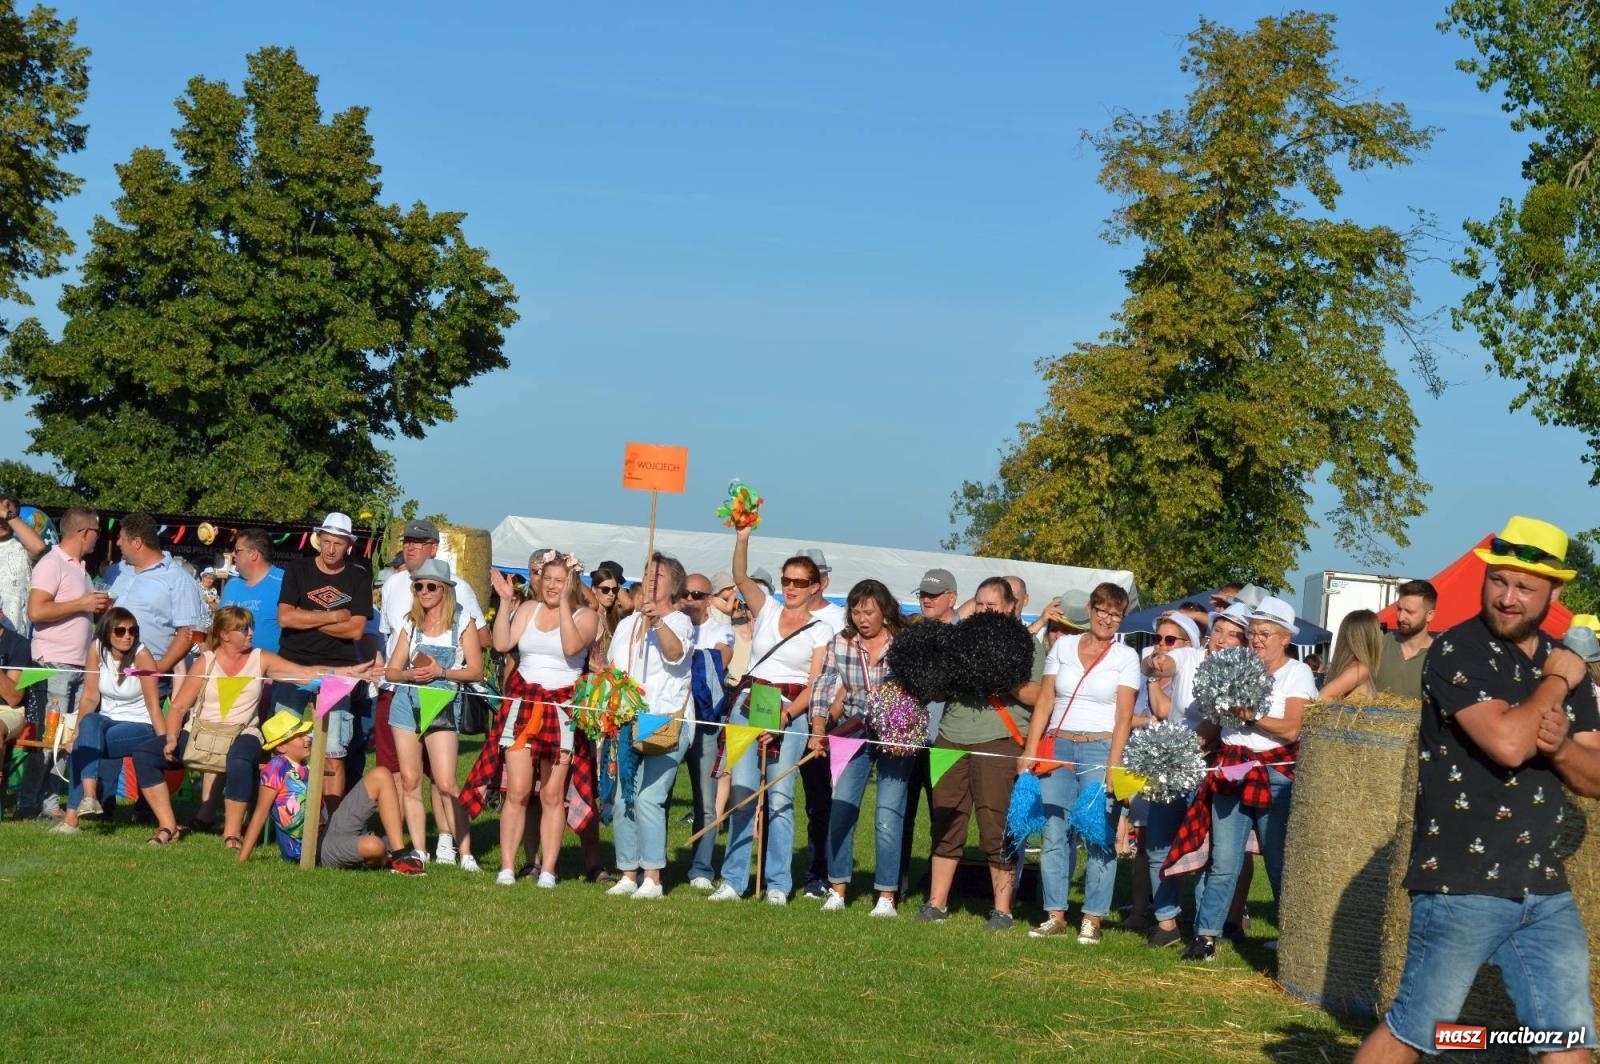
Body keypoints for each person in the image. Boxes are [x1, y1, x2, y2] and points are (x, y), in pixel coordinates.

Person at [1355, 516, 1600, 1063]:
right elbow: (1509, 744)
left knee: (1568, 1039)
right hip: (1461, 883)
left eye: (1524, 587)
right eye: (1499, 581)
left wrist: (1561, 749)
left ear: (1554, 592)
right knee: (1416, 1031)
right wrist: (1559, 681)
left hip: (1543, 887)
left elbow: (1594, 775)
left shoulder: (1559, 655)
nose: (1507, 598)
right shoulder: (1459, 651)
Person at [164, 606, 382, 846]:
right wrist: (172, 738)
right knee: (145, 754)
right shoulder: (206, 661)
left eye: (251, 627)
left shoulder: (262, 657)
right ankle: (166, 826)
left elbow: (307, 673)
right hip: (202, 734)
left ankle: (232, 834)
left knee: (239, 757)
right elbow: (177, 707)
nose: (251, 633)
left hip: (242, 734)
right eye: (244, 628)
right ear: (225, 635)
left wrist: (349, 672)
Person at [1179, 595, 1316, 962]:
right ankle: (1205, 937)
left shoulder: (1296, 673)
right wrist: (1182, 750)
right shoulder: (1232, 664)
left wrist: (1249, 715)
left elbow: (1291, 729)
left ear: (1285, 638)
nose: (1256, 639)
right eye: (1253, 632)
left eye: (1265, 633)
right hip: (1231, 770)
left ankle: (1293, 942)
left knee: (1277, 862)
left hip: (1275, 775)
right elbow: (1216, 721)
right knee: (1224, 861)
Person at [708, 526, 830, 904]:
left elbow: (816, 684)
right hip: (750, 701)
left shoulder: (822, 629)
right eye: (787, 580)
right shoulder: (768, 608)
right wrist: (743, 537)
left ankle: (777, 884)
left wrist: (787, 716)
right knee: (743, 794)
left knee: (779, 797)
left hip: (789, 711)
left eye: (800, 581)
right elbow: (741, 577)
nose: (791, 587)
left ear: (815, 586)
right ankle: (733, 880)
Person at [467, 549, 597, 887]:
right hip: (523, 704)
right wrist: (506, 602)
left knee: (553, 795)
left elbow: (571, 648)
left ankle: (549, 870)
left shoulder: (587, 616)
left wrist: (567, 603)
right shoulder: (528, 608)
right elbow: (501, 643)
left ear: (571, 582)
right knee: (519, 790)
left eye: (560, 581)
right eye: (547, 579)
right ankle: (508, 867)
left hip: (562, 708)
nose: (552, 586)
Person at [920, 577, 1043, 928]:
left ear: (1009, 607)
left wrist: (1001, 674)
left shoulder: (1029, 645)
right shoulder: (957, 640)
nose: (986, 610)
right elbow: (940, 695)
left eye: (993, 605)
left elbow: (1037, 696)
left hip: (998, 740)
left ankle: (1002, 909)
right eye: (981, 604)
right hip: (950, 738)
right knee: (946, 819)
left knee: (995, 824)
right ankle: (936, 903)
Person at [1022, 581, 1141, 943]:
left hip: (1100, 747)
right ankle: (1055, 914)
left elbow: (1123, 717)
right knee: (1055, 832)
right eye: (1102, 610)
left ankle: (1092, 918)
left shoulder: (1126, 658)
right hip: (1059, 747)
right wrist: (1030, 750)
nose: (1107, 619)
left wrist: (1115, 762)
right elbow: (1044, 701)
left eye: (1115, 614)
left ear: (1121, 619)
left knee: (1098, 835)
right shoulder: (1064, 647)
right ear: (1090, 610)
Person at [374, 519, 485, 858]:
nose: (423, 592)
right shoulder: (409, 620)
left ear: (445, 589)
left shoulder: (461, 621)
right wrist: (407, 676)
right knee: (409, 779)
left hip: (441, 701)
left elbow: (477, 670)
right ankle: (419, 850)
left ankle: (460, 850)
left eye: (430, 587)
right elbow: (392, 668)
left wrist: (443, 671)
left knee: (447, 781)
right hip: (406, 701)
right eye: (419, 587)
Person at [810, 579, 907, 916]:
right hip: (853, 733)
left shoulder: (904, 644)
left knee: (887, 818)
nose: (862, 618)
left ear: (884, 611)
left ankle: (885, 897)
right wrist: (819, 728)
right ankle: (837, 890)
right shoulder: (841, 643)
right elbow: (822, 688)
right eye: (856, 611)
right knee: (842, 808)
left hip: (895, 738)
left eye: (869, 611)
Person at [603, 554, 695, 899]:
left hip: (665, 720)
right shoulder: (628, 623)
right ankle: (628, 872)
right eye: (646, 573)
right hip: (627, 719)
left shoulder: (680, 621)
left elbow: (675, 655)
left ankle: (653, 877)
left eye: (659, 574)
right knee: (623, 795)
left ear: (674, 585)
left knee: (648, 798)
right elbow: (614, 667)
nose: (650, 578)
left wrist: (657, 623)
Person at [236, 709, 425, 874]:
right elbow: (260, 815)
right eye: (298, 736)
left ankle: (398, 854)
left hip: (329, 829)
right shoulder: (276, 767)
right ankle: (383, 853)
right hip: (309, 849)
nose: (306, 739)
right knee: (374, 846)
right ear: (281, 746)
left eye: (305, 733)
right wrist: (242, 860)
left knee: (381, 774)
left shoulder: (304, 766)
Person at [276, 512, 377, 803]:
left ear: (349, 545)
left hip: (337, 669)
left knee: (333, 751)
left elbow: (356, 630)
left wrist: (304, 616)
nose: (331, 548)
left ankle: (331, 825)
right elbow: (285, 618)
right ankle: (286, 814)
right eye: (327, 541)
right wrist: (332, 615)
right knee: (284, 744)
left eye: (338, 543)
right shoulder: (298, 570)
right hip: (293, 664)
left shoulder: (358, 576)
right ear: (318, 540)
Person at [61, 608, 180, 842]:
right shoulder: (96, 649)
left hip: (139, 725)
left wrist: (165, 740)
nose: (128, 636)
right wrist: (76, 732)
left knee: (84, 745)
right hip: (105, 720)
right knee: (90, 722)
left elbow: (153, 706)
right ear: (107, 632)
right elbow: (90, 697)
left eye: (133, 630)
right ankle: (89, 795)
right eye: (121, 630)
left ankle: (72, 817)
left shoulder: (142, 655)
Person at [19, 507, 105, 820]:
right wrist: (83, 603)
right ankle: (28, 803)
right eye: (97, 531)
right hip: (53, 664)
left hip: (80, 665)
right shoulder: (51, 563)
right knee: (48, 740)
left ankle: (50, 804)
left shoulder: (80, 568)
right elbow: (37, 612)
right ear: (84, 532)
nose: (99, 537)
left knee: (67, 740)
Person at [898, 567, 960, 900]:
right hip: (909, 740)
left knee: (944, 819)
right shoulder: (910, 635)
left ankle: (939, 893)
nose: (926, 600)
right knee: (900, 815)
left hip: (946, 741)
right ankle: (896, 886)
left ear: (953, 597)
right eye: (923, 594)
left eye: (934, 594)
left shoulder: (964, 638)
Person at [107, 512, 206, 693]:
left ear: (137, 542)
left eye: (121, 538)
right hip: (106, 671)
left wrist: (160, 668)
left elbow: (187, 631)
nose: (118, 543)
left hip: (145, 678)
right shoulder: (118, 571)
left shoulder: (178, 578)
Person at [796, 547, 847, 898]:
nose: (798, 586)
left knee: (821, 803)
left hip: (824, 720)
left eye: (807, 579)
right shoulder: (780, 614)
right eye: (793, 579)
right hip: (784, 716)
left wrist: (829, 715)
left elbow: (845, 671)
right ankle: (773, 874)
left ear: (822, 582)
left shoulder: (839, 618)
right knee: (777, 797)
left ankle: (820, 874)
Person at [681, 572, 733, 890]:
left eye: (698, 595)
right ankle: (652, 865)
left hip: (705, 723)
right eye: (685, 594)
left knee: (706, 798)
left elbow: (717, 665)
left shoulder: (722, 632)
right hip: (669, 719)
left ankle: (701, 868)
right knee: (656, 795)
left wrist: (683, 657)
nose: (690, 600)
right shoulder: (669, 626)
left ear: (710, 600)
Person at [1371, 579, 1437, 700]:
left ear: (1430, 615)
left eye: (1409, 612)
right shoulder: (1378, 645)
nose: (1401, 617)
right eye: (1399, 609)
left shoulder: (1440, 657)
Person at [0, 493, 47, 635]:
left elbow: (39, 547)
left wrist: (5, 513)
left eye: (6, 517)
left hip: (15, 640)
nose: (2, 522)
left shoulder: (23, 549)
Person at [1318, 609, 1384, 701]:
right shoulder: (1359, 669)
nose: (1382, 633)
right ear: (1370, 636)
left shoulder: (1353, 668)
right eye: (1380, 628)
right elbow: (1323, 697)